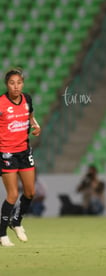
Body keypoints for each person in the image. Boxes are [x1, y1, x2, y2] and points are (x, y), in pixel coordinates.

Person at [0, 68, 41, 247]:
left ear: (22, 84)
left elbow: (30, 116)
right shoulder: (1, 103)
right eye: (12, 83)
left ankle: (16, 222)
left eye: (19, 83)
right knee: (13, 194)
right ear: (6, 85)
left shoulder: (27, 99)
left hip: (24, 151)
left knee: (30, 192)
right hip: (7, 152)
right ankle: (1, 235)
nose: (16, 87)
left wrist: (35, 125)